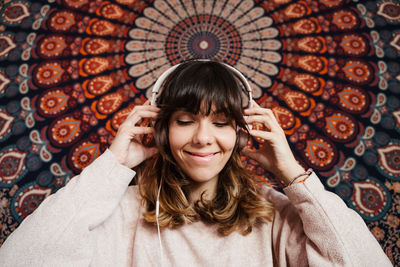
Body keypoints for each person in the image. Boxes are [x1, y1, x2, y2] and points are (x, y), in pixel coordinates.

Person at [0, 60, 392, 266]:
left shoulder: (278, 214)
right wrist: (114, 165)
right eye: (185, 121)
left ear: (242, 133)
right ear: (159, 130)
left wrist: (293, 176)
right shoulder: (115, 213)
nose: (203, 137)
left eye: (221, 123)